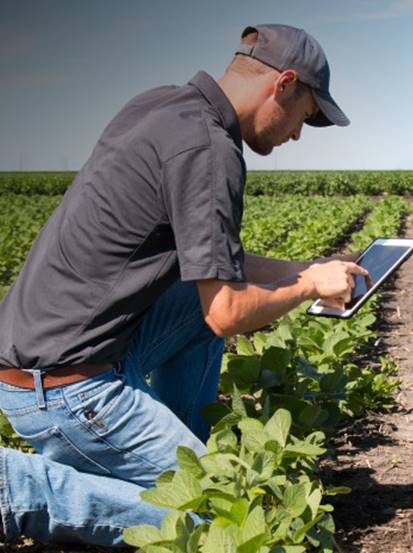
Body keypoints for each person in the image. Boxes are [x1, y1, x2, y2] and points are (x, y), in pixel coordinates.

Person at [0, 24, 366, 547]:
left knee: (197, 307)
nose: (297, 135)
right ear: (283, 83)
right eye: (304, 116)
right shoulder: (211, 151)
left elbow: (217, 271)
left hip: (57, 356)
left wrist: (304, 267)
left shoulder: (162, 107)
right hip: (66, 389)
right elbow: (227, 313)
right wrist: (309, 289)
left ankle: (169, 455)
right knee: (219, 520)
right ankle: (17, 486)